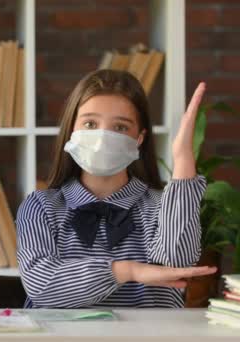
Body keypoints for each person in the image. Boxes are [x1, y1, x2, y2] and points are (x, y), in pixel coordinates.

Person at [17, 69, 216, 308]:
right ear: (72, 130)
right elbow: (42, 287)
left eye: (120, 128)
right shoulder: (41, 206)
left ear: (140, 138)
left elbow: (176, 266)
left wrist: (183, 159)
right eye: (90, 123)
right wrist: (127, 271)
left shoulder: (161, 206)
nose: (102, 138)